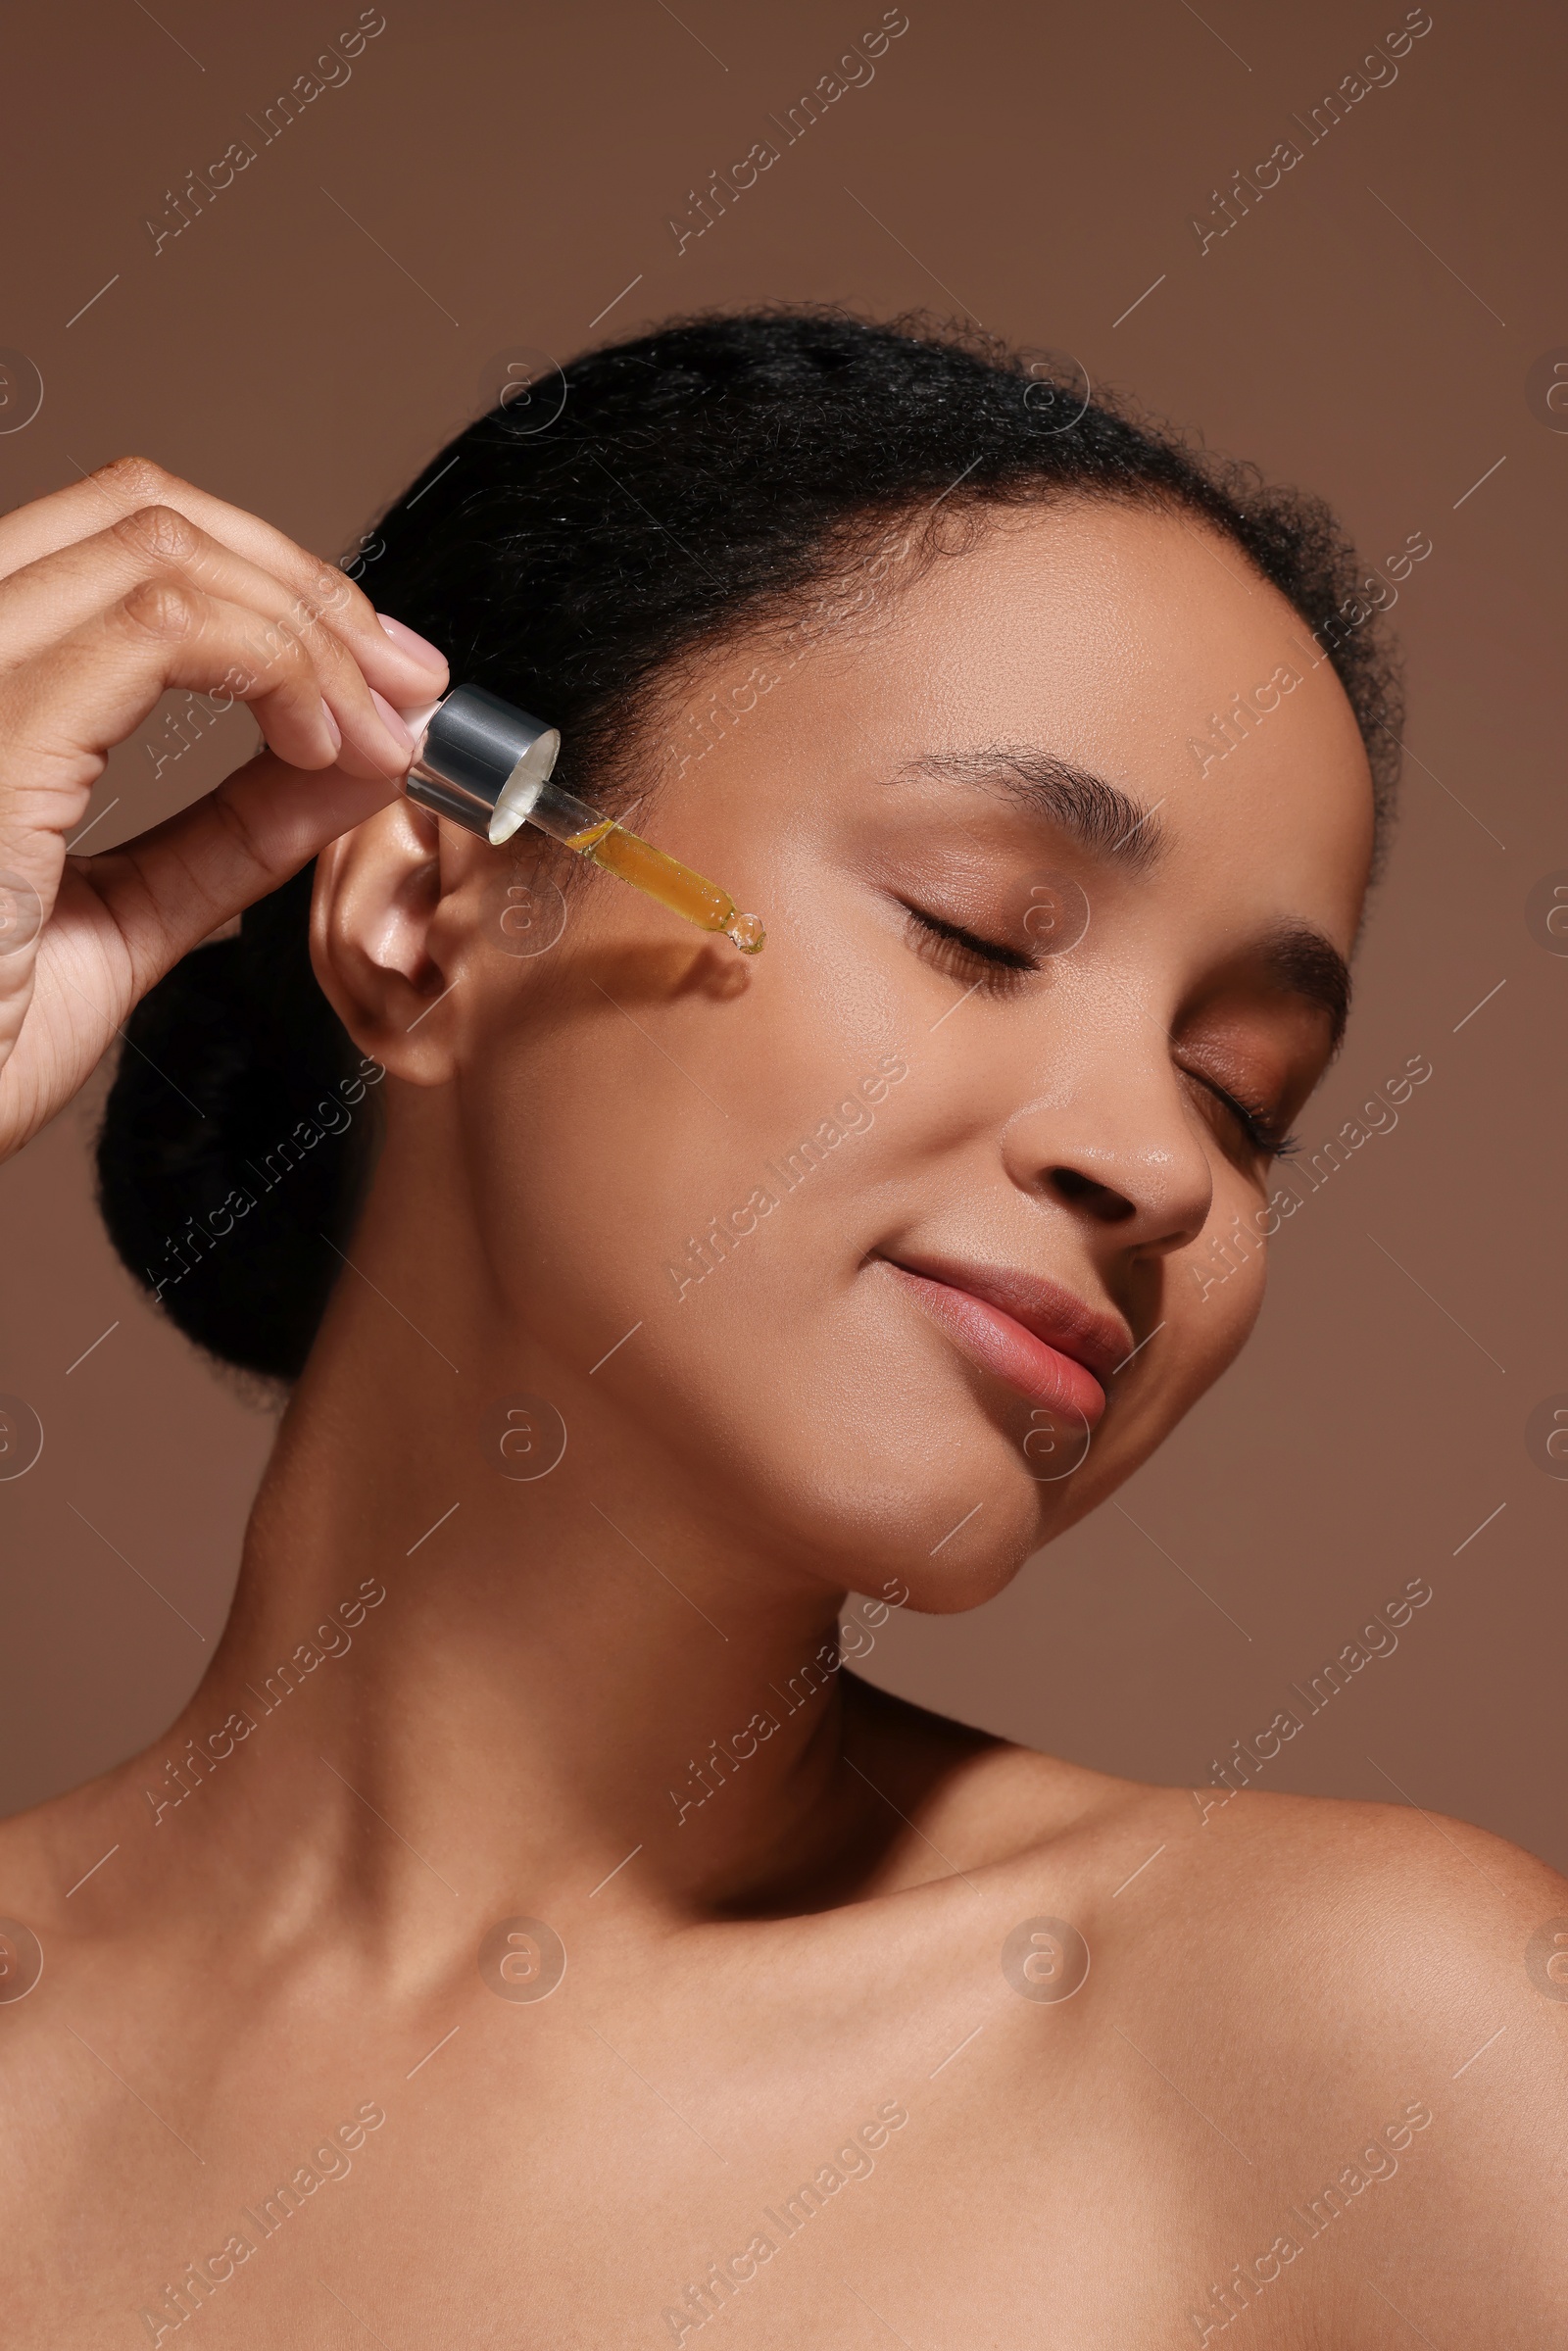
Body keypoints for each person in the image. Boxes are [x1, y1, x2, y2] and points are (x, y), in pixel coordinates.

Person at [0, 314, 1560, 2345]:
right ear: (430, 915)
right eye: (980, 929)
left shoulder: (1363, 2053)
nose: (1160, 1173)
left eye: (1241, 1095)